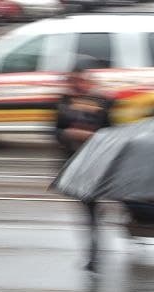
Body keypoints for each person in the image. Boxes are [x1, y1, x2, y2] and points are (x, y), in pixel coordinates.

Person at [54, 55, 113, 273]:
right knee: (88, 212)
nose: (76, 84)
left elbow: (111, 132)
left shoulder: (102, 102)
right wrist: (68, 133)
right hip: (73, 164)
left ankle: (94, 255)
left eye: (80, 79)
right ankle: (93, 252)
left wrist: (90, 136)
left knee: (91, 212)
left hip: (95, 163)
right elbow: (54, 132)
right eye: (72, 80)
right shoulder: (64, 102)